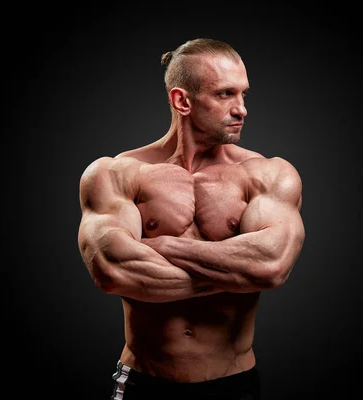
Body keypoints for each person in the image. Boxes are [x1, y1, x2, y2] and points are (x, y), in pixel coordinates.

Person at [77, 38, 305, 400]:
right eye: (225, 94)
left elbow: (271, 265)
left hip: (233, 385)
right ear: (182, 100)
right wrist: (237, 272)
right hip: (143, 382)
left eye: (244, 94)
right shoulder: (117, 173)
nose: (242, 109)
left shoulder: (267, 174)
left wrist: (163, 246)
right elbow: (112, 270)